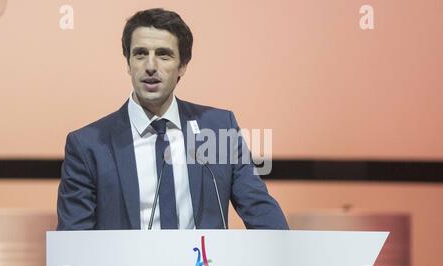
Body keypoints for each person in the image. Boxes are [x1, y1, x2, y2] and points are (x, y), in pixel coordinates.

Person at [57, 8, 289, 230]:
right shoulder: (88, 145)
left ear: (183, 66)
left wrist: (291, 258)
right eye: (140, 54)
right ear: (128, 62)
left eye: (163, 55)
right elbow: (74, 239)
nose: (150, 66)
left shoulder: (219, 129)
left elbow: (260, 210)